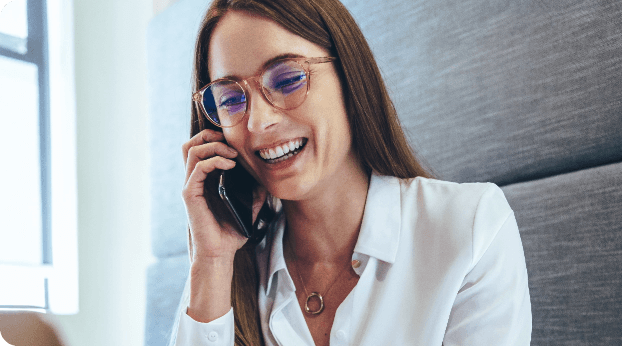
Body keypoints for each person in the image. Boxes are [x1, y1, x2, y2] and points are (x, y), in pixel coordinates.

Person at [172, 0, 532, 345]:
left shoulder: (470, 227)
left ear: (349, 75)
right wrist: (212, 264)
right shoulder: (225, 269)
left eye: (287, 80)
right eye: (231, 100)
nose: (259, 122)